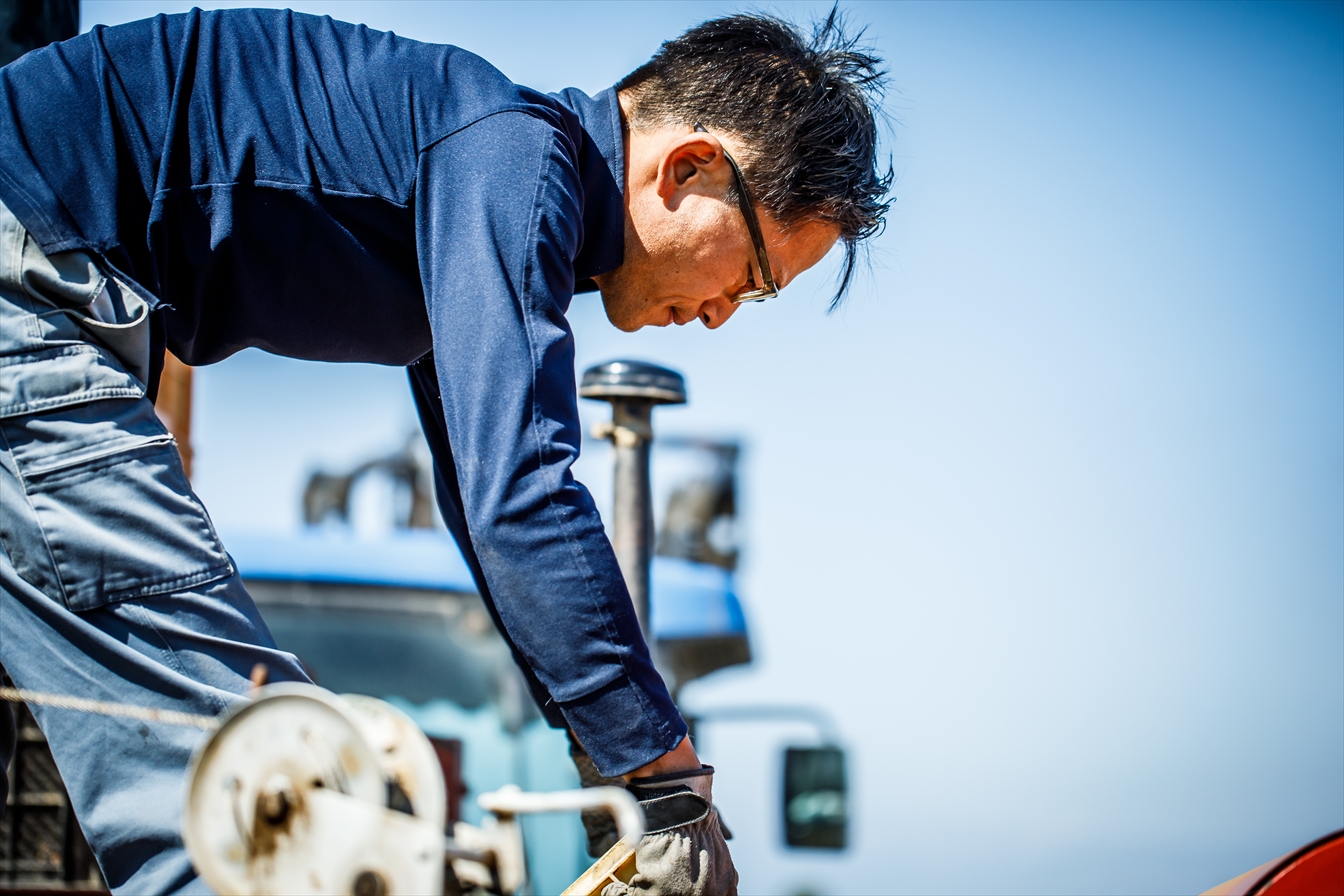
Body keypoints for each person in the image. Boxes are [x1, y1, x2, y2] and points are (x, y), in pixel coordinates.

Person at [0, 6, 890, 894]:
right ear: (688, 169)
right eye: (754, 274)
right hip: (29, 280)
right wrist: (663, 779)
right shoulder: (515, 156)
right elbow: (522, 497)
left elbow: (479, 493)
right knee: (260, 815)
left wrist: (608, 749)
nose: (724, 311)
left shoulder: (486, 181)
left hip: (48, 277)